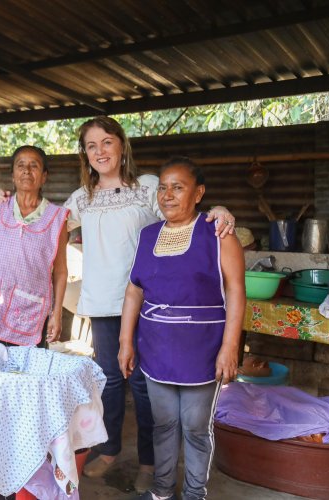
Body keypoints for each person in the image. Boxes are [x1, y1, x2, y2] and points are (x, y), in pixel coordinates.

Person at [63, 117, 236, 492]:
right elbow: (46, 225)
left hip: (148, 303)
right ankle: (109, 450)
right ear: (85, 155)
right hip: (103, 302)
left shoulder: (147, 189)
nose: (100, 152)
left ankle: (149, 463)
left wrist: (219, 208)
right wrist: (6, 202)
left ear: (122, 146)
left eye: (107, 142)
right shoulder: (81, 198)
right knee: (109, 381)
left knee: (144, 386)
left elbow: (185, 216)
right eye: (91, 146)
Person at [118, 157, 245, 500]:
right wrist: (125, 341)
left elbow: (235, 290)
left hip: (202, 349)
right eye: (162, 187)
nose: (168, 195)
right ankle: (161, 491)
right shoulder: (148, 236)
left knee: (195, 428)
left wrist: (230, 347)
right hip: (156, 347)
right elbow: (134, 290)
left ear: (199, 193)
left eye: (178, 187)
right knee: (163, 424)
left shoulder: (218, 234)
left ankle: (194, 493)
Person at [0, 145, 69, 347]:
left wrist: (57, 313)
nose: (27, 170)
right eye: (21, 165)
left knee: (25, 376)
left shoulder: (56, 219)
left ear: (44, 176)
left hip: (30, 315)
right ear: (13, 175)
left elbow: (60, 272)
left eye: (34, 166)